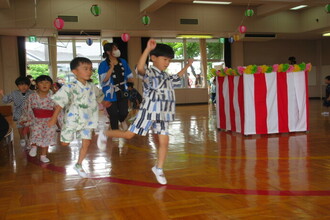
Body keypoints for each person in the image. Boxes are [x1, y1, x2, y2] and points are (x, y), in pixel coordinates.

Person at [98, 39, 194, 184]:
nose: (167, 63)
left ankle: (159, 168)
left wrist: (187, 65)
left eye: (169, 60)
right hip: (149, 111)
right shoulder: (149, 73)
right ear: (154, 58)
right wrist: (147, 50)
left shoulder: (166, 76)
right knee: (129, 135)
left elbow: (177, 77)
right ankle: (104, 133)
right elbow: (140, 68)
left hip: (163, 114)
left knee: (165, 142)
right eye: (165, 59)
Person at [48, 57, 105, 177]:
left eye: (90, 69)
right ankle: (65, 139)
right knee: (64, 144)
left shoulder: (92, 87)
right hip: (72, 120)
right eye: (85, 68)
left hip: (88, 120)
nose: (89, 71)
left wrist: (108, 103)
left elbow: (101, 98)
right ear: (75, 71)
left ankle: (79, 164)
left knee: (87, 142)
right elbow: (60, 103)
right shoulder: (69, 86)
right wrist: (54, 119)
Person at [20, 75, 56, 163]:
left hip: (49, 120)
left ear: (51, 85)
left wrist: (58, 120)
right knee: (35, 133)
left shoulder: (54, 97)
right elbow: (27, 108)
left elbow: (58, 109)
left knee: (47, 138)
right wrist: (25, 118)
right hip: (35, 119)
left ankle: (43, 155)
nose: (44, 84)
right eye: (41, 82)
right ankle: (34, 146)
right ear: (36, 85)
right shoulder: (32, 96)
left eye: (47, 82)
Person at [98, 41, 133, 131]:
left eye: (117, 48)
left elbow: (129, 75)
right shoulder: (103, 64)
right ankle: (115, 133)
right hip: (110, 92)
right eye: (114, 49)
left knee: (124, 111)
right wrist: (111, 68)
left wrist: (130, 86)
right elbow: (103, 80)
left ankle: (122, 120)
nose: (117, 50)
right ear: (108, 52)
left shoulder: (123, 61)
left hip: (122, 90)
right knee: (113, 114)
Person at [0, 76, 34, 146]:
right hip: (19, 113)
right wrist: (2, 94)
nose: (23, 87)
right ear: (17, 86)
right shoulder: (14, 93)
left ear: (29, 85)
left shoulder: (32, 93)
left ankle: (29, 139)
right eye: (21, 85)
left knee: (29, 127)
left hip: (29, 113)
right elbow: (6, 100)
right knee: (20, 126)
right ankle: (22, 138)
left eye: (25, 84)